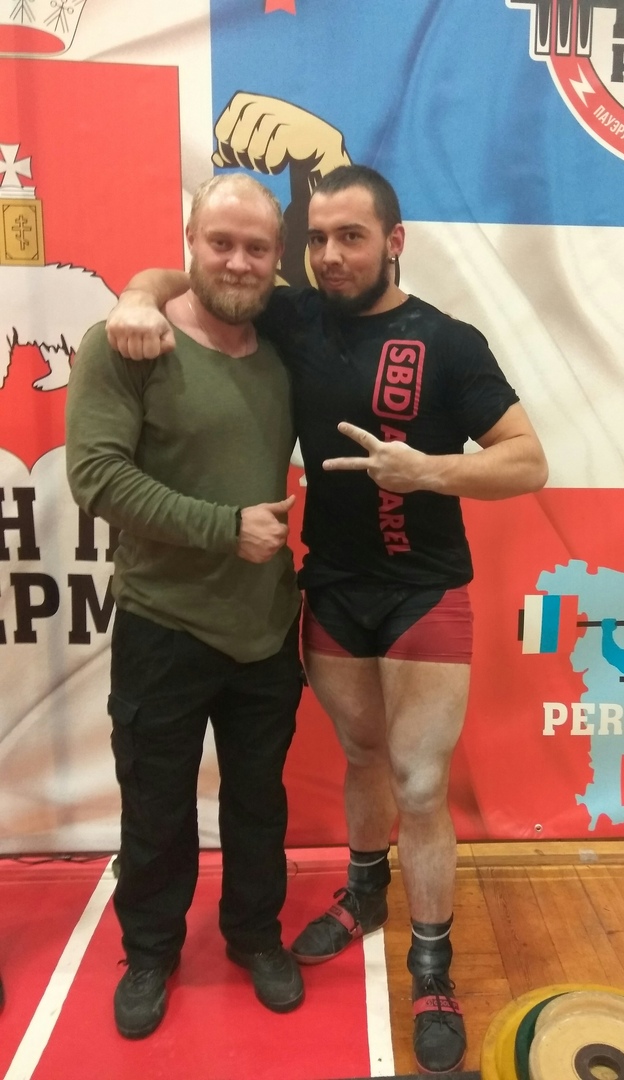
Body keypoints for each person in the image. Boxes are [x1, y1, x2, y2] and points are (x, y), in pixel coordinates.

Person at [105, 164, 549, 1073]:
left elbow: (527, 461)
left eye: (352, 236)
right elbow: (192, 277)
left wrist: (430, 472)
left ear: (395, 241)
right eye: (317, 239)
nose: (332, 255)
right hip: (334, 588)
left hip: (424, 590)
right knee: (362, 757)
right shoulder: (294, 314)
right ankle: (362, 891)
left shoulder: (449, 340)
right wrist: (137, 296)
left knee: (419, 784)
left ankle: (432, 969)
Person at [66, 174, 305, 1040]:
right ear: (190, 242)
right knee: (156, 805)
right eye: (220, 243)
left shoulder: (286, 344)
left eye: (256, 248)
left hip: (265, 627)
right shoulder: (126, 343)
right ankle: (151, 950)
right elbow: (95, 477)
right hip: (163, 623)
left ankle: (255, 934)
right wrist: (222, 528)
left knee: (259, 802)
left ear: (278, 258)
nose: (238, 262)